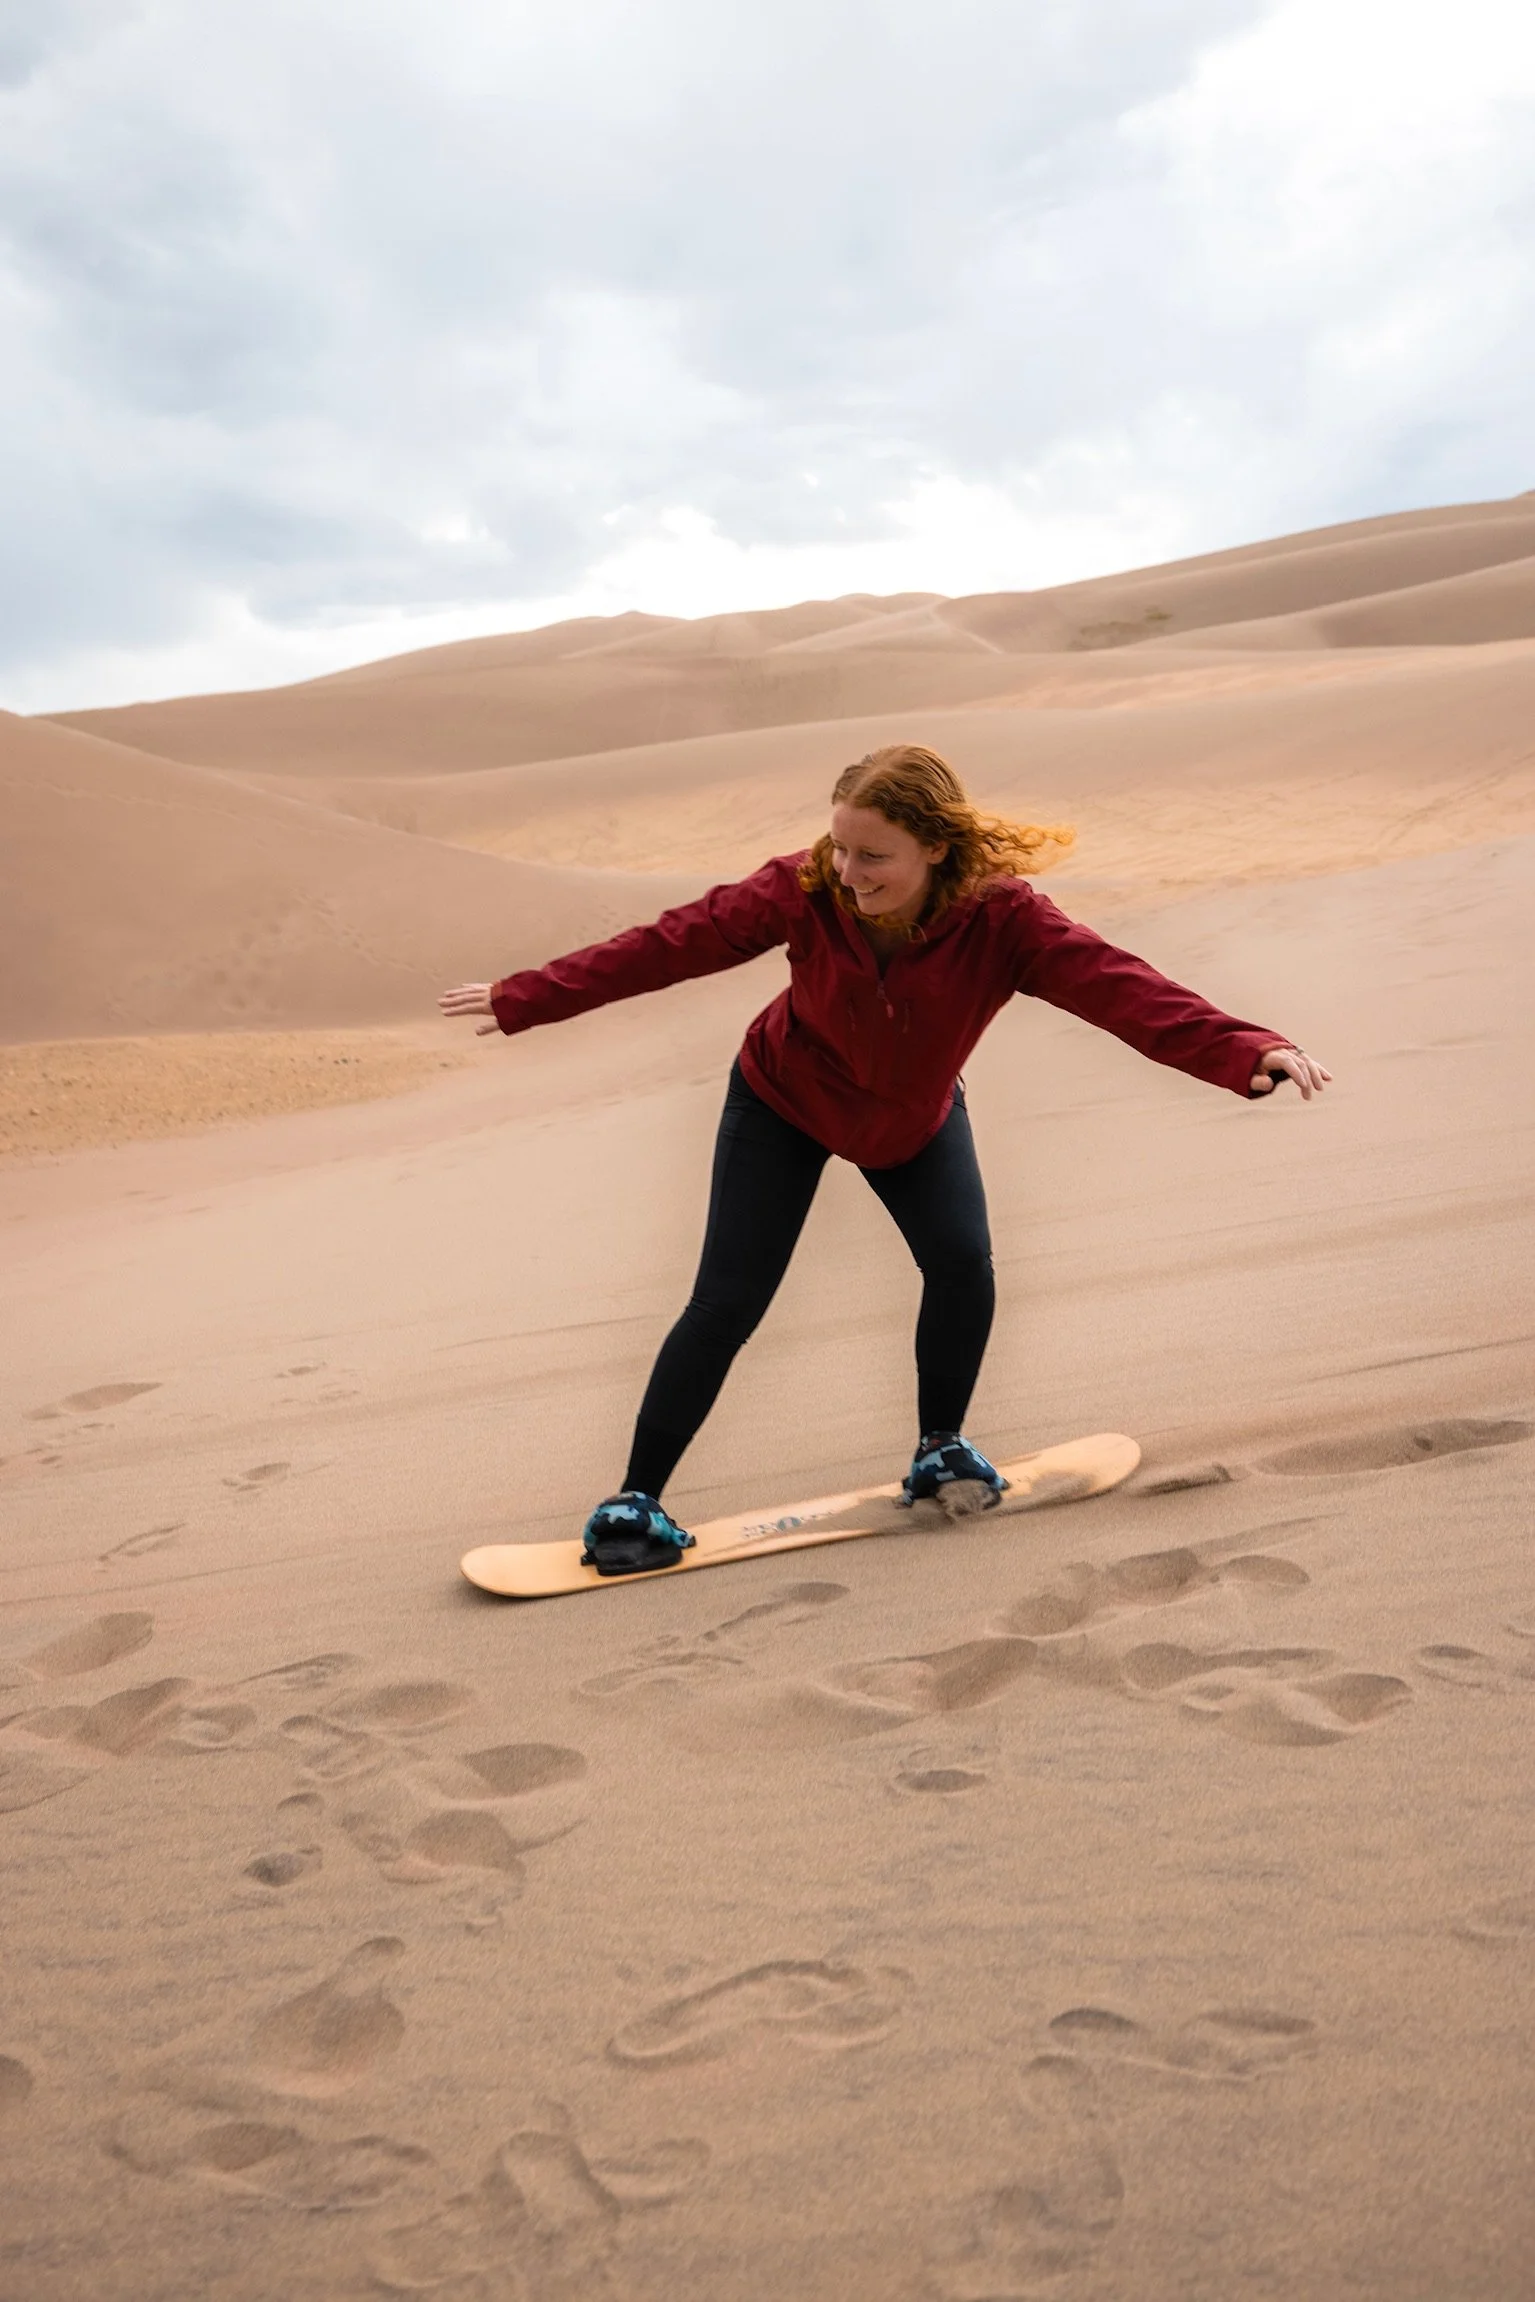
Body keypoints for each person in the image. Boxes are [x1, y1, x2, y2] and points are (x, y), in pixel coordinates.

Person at [440, 744, 1330, 1575]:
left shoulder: (1005, 918)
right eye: (838, 848)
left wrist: (1245, 1048)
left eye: (872, 857)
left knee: (961, 1264)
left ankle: (938, 1445)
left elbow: (1121, 987)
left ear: (936, 850)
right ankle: (635, 1504)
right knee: (725, 1302)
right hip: (782, 1100)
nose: (845, 872)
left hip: (909, 1118)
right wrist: (526, 997)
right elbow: (673, 942)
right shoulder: (802, 887)